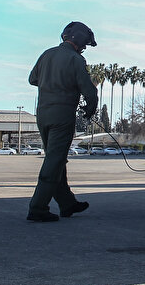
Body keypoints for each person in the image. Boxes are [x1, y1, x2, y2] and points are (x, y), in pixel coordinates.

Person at [26, 21, 99, 222]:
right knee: (55, 160)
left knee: (56, 159)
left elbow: (32, 79)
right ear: (79, 40)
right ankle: (38, 207)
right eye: (85, 44)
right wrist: (90, 108)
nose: (84, 48)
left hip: (43, 115)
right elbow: (89, 90)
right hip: (62, 116)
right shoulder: (75, 59)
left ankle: (67, 203)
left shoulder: (46, 54)